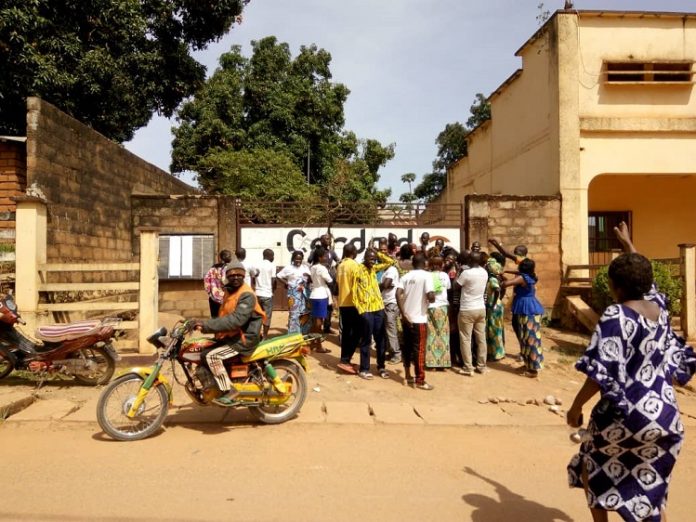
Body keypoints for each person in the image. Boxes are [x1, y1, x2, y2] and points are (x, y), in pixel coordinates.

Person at [566, 222, 696, 522]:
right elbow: (641, 274)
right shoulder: (659, 307)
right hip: (665, 417)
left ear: (616, 287)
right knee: (647, 480)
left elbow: (602, 370)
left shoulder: (617, 314)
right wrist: (628, 245)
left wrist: (576, 407)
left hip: (626, 415)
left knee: (592, 464)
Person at [194, 262, 266, 406]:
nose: (235, 278)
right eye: (232, 275)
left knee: (212, 356)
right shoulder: (230, 291)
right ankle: (214, 387)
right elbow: (224, 316)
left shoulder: (246, 294)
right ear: (227, 276)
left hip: (245, 338)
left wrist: (206, 325)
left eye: (239, 275)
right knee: (202, 352)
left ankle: (228, 391)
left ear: (244, 276)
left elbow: (236, 320)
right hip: (233, 335)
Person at [352, 248, 395, 380]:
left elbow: (391, 261)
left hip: (378, 308)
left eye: (374, 259)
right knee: (366, 340)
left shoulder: (374, 269)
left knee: (381, 340)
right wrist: (361, 310)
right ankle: (364, 369)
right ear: (365, 258)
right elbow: (353, 292)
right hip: (366, 310)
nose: (373, 261)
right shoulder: (358, 270)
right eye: (371, 258)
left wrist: (378, 253)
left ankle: (381, 367)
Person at [396, 253, 435, 390]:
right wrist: (432, 297)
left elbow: (398, 293)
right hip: (419, 319)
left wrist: (403, 313)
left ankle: (407, 374)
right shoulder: (427, 276)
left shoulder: (406, 276)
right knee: (419, 350)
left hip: (407, 318)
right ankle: (420, 380)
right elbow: (430, 295)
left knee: (406, 346)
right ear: (424, 263)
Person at [502, 258, 544, 377]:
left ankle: (533, 370)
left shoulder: (522, 278)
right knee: (525, 338)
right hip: (527, 307)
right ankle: (528, 364)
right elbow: (518, 273)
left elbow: (506, 284)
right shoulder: (532, 275)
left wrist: (503, 278)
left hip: (528, 309)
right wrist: (507, 271)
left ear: (522, 268)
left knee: (530, 339)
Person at [457, 251, 489, 376]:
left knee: (465, 338)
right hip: (480, 308)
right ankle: (481, 366)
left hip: (467, 309)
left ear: (470, 260)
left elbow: (456, 285)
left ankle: (468, 367)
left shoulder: (466, 273)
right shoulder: (484, 272)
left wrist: (459, 272)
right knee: (481, 338)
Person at [336, 244, 360, 375]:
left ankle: (345, 359)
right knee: (355, 333)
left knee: (346, 332)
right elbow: (358, 284)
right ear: (353, 252)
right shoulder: (354, 265)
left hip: (343, 303)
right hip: (353, 303)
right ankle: (345, 360)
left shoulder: (340, 265)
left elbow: (337, 284)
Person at [308, 234, 339, 333]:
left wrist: (334, 270)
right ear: (321, 240)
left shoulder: (331, 252)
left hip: (328, 282)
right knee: (319, 310)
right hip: (319, 282)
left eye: (329, 239)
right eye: (326, 239)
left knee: (329, 306)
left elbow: (338, 261)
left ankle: (327, 327)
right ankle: (317, 330)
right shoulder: (316, 252)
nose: (328, 240)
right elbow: (309, 262)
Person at [425, 256, 451, 370]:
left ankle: (431, 363)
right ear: (442, 265)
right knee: (444, 335)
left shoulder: (428, 276)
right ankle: (443, 363)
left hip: (431, 307)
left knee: (431, 334)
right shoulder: (445, 275)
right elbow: (448, 288)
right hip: (443, 307)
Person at [276, 251, 311, 334]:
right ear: (293, 259)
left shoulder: (305, 268)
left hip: (304, 295)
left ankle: (302, 333)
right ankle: (293, 334)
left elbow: (310, 279)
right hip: (293, 295)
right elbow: (278, 276)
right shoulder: (289, 268)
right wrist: (286, 283)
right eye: (296, 259)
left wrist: (308, 277)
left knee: (304, 313)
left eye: (300, 259)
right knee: (293, 314)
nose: (298, 261)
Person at [308, 247, 333, 353]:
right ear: (320, 257)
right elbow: (330, 280)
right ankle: (318, 345)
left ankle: (312, 343)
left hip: (314, 294)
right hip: (321, 295)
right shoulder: (321, 268)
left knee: (315, 322)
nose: (327, 258)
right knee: (319, 323)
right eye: (325, 256)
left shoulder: (313, 267)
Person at [380, 248, 401, 365]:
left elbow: (386, 284)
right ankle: (391, 352)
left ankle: (397, 354)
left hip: (391, 303)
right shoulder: (386, 270)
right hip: (386, 302)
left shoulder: (392, 270)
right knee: (387, 329)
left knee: (391, 329)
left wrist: (376, 286)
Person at [485, 255, 506, 361]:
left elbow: (497, 290)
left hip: (494, 307)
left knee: (495, 331)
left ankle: (497, 353)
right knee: (494, 330)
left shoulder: (492, 279)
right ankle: (494, 352)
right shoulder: (496, 278)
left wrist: (493, 303)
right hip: (496, 305)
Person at [203, 249, 233, 318]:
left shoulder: (213, 268)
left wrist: (209, 292)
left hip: (213, 297)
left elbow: (206, 280)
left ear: (220, 257)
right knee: (225, 319)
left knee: (215, 318)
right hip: (226, 297)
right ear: (229, 258)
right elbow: (225, 281)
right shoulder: (230, 268)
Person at [255, 248, 277, 339]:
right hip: (267, 294)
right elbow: (273, 280)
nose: (273, 258)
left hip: (257, 293)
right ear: (270, 256)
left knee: (257, 316)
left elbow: (254, 277)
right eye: (273, 256)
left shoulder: (257, 265)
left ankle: (256, 335)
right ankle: (264, 337)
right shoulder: (272, 265)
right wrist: (273, 290)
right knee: (267, 316)